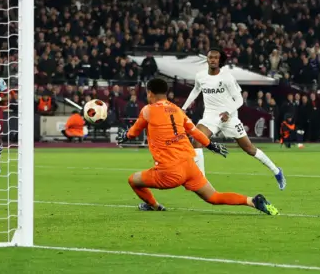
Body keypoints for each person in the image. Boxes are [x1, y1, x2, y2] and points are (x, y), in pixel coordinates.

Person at [118, 78, 279, 215]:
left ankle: (154, 206)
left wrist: (124, 136)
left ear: (150, 93)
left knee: (133, 180)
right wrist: (211, 145)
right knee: (213, 197)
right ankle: (252, 201)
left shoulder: (147, 110)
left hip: (169, 171)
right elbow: (194, 131)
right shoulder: (177, 111)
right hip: (189, 165)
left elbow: (133, 132)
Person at [182, 49, 286, 190]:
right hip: (210, 116)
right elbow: (196, 89)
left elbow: (239, 100)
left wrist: (228, 112)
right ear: (207, 59)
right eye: (210, 57)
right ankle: (201, 180)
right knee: (197, 141)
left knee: (249, 148)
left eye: (215, 58)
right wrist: (183, 108)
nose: (212, 60)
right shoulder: (200, 76)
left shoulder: (227, 78)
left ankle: (277, 171)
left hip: (229, 117)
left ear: (219, 61)